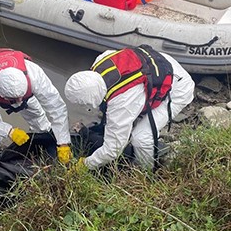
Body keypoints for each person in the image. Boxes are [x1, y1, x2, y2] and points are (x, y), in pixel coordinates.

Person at [64, 45, 195, 170]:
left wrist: (85, 164)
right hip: (159, 64)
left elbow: (112, 150)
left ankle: (144, 172)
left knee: (141, 137)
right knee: (127, 126)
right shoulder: (100, 62)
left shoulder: (122, 102)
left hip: (177, 88)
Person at [0, 48, 72, 164]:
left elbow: (56, 108)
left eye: (21, 97)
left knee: (38, 119)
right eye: (13, 100)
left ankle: (42, 142)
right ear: (1, 94)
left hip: (23, 91)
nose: (18, 102)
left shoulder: (34, 75)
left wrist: (63, 142)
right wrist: (9, 131)